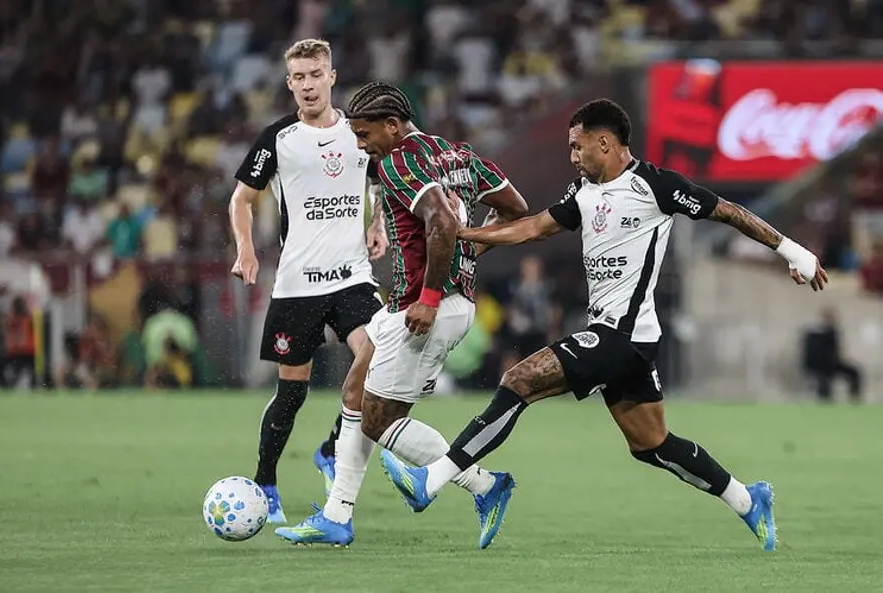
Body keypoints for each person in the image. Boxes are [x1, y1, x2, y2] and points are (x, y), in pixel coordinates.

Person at [381, 99, 829, 553]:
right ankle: (747, 498)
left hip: (624, 335)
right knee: (652, 444)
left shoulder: (657, 186)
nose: (572, 156)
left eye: (578, 147)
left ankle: (432, 482)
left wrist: (795, 253)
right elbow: (534, 227)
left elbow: (728, 211)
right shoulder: (583, 192)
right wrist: (465, 237)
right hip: (626, 339)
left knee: (519, 380)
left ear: (605, 142)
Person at [275, 81, 528, 548]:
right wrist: (472, 248)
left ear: (393, 126)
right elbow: (515, 208)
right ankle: (336, 516)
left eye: (366, 134)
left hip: (425, 306)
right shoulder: (456, 154)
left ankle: (487, 486)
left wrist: (431, 294)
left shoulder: (399, 159)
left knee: (377, 420)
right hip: (420, 305)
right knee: (355, 389)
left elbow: (441, 221)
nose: (361, 144)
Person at [228, 39, 389, 524]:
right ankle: (266, 482)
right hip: (297, 284)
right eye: (298, 77)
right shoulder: (277, 138)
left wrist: (375, 223)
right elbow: (240, 200)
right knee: (292, 393)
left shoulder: (359, 133)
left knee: (378, 360)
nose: (307, 85)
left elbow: (376, 181)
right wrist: (245, 248)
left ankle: (333, 446)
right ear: (288, 83)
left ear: (332, 77)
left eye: (315, 74)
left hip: (352, 279)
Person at [802, 308, 861, 402]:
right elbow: (810, 355)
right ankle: (825, 403)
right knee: (824, 382)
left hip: (832, 364)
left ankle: (854, 399)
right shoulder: (812, 335)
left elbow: (835, 351)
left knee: (854, 372)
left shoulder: (832, 332)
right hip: (817, 366)